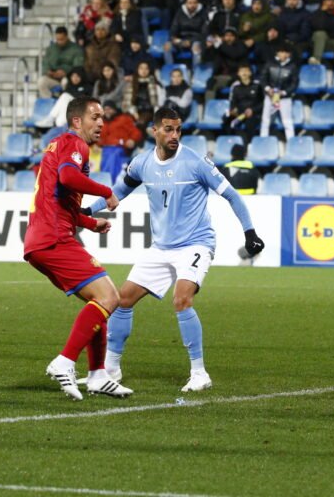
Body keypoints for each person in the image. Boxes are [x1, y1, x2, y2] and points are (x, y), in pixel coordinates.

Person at [83, 106, 263, 392]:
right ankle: (112, 369)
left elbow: (231, 195)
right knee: (122, 300)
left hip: (195, 243)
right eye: (168, 129)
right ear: (155, 131)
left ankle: (199, 373)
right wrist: (84, 213)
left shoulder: (196, 162)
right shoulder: (142, 163)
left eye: (178, 129)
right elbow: (116, 193)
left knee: (181, 299)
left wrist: (249, 231)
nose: (174, 135)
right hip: (161, 247)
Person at [23, 97, 131, 400]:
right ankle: (65, 360)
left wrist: (89, 222)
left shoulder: (56, 145)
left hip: (42, 239)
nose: (101, 123)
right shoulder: (75, 144)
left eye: (102, 118)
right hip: (54, 238)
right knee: (111, 296)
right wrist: (106, 191)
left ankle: (97, 374)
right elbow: (69, 177)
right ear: (76, 121)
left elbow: (59, 198)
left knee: (99, 301)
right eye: (95, 117)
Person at [260, 42, 299, 139]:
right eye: (281, 52)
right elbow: (263, 78)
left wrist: (284, 92)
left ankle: (291, 143)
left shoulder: (293, 66)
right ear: (277, 53)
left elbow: (294, 83)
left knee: (287, 122)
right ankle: (263, 142)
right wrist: (268, 89)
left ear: (289, 54)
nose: (283, 54)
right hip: (270, 97)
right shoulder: (269, 63)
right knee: (266, 121)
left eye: (286, 52)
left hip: (284, 98)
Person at [38, 26, 84, 96]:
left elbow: (78, 66)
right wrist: (48, 71)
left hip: (67, 78)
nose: (59, 42)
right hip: (52, 77)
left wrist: (65, 72)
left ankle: (63, 102)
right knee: (41, 82)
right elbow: (45, 63)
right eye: (57, 39)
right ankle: (49, 102)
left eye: (62, 39)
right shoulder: (51, 49)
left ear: (67, 37)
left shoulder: (76, 49)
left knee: (65, 83)